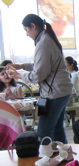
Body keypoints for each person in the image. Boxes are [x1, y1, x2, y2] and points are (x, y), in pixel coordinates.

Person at [7, 14, 72, 144]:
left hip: (55, 94)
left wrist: (19, 75)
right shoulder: (48, 39)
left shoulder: (43, 43)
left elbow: (38, 75)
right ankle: (64, 157)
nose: (26, 34)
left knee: (44, 131)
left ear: (33, 26)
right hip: (62, 92)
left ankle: (46, 158)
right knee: (57, 128)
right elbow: (43, 65)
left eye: (26, 30)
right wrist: (22, 66)